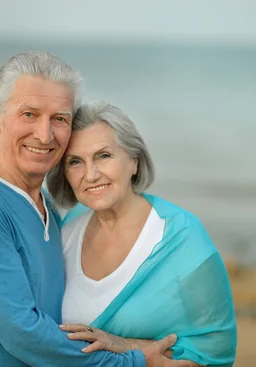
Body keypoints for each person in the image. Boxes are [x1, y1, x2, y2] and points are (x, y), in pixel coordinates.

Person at [0, 52, 195, 366]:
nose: (44, 134)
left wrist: (129, 343)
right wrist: (134, 362)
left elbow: (60, 320)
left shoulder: (46, 207)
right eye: (29, 114)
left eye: (59, 119)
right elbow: (22, 332)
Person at [47, 101, 237, 366]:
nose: (90, 174)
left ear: (134, 161)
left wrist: (126, 346)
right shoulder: (69, 227)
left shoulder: (183, 238)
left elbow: (216, 355)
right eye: (75, 162)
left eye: (103, 155)